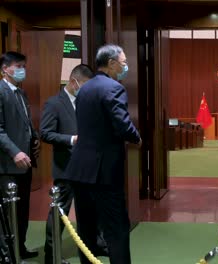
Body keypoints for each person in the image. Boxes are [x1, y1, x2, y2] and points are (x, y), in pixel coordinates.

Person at [65, 44, 141, 264]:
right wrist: (136, 137)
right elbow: (122, 123)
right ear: (111, 63)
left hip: (80, 169)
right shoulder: (113, 87)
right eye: (124, 62)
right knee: (116, 227)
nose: (126, 66)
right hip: (104, 172)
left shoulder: (84, 89)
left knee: (86, 228)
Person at [40, 64, 94, 264]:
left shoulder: (85, 103)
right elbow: (45, 133)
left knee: (88, 211)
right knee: (59, 212)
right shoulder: (54, 103)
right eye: (85, 86)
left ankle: (91, 247)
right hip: (66, 167)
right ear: (73, 82)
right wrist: (72, 139)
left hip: (86, 167)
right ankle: (51, 254)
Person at [0, 51, 40, 259]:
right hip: (7, 164)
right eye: (18, 66)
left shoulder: (21, 93)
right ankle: (7, 254)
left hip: (25, 163)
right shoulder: (0, 91)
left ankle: (20, 247)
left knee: (23, 208)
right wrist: (15, 152)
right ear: (5, 69)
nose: (22, 70)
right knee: (9, 212)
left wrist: (35, 138)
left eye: (24, 66)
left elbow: (25, 124)